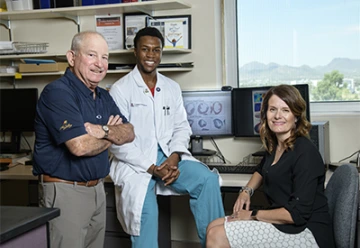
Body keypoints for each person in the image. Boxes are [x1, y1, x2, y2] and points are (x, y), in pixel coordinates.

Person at [108, 27, 225, 248]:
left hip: (169, 157)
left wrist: (174, 157)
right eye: (145, 49)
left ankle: (217, 243)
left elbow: (182, 126)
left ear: (161, 53)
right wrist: (152, 167)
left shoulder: (171, 87)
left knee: (207, 180)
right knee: (147, 212)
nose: (151, 55)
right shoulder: (120, 90)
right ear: (135, 52)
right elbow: (117, 143)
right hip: (136, 163)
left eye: (156, 50)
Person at [32, 31, 135, 248]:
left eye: (105, 57)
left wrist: (102, 130)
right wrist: (112, 134)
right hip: (66, 192)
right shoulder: (58, 93)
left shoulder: (103, 96)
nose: (100, 64)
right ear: (72, 57)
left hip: (97, 190)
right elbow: (79, 146)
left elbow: (130, 132)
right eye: (91, 55)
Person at [206, 84, 335, 248]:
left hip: (307, 233)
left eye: (285, 110)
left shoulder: (305, 153)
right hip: (285, 224)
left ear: (296, 116)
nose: (278, 116)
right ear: (265, 114)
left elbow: (296, 215)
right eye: (272, 109)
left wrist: (252, 215)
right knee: (213, 225)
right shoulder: (277, 146)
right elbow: (261, 170)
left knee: (216, 235)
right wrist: (246, 191)